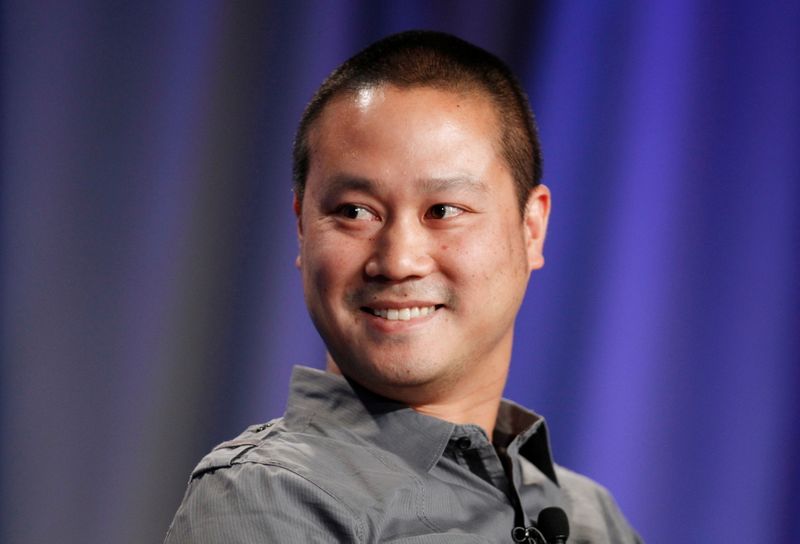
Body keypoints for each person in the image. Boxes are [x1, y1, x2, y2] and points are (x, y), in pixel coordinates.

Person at [165, 30, 642, 543]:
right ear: (302, 226)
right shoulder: (269, 497)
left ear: (532, 229)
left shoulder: (590, 517)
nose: (397, 261)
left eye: (444, 211)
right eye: (355, 212)